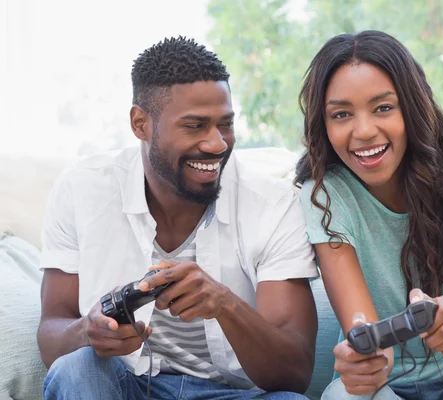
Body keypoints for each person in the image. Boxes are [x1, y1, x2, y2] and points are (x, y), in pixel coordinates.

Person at [38, 36, 319, 400]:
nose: (217, 143)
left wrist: (225, 305)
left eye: (225, 124)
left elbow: (295, 372)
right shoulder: (81, 190)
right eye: (195, 126)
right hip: (123, 386)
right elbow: (51, 330)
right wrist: (87, 332)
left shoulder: (272, 203)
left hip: (230, 393)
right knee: (76, 369)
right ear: (141, 124)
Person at [294, 30, 443, 400]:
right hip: (389, 388)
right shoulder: (325, 194)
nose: (363, 131)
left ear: (413, 106)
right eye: (342, 114)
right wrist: (364, 361)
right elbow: (366, 333)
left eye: (383, 108)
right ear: (323, 124)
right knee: (343, 396)